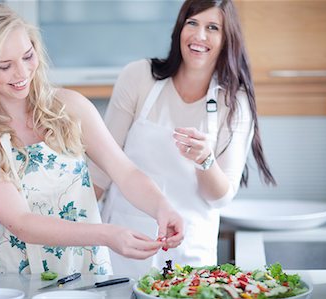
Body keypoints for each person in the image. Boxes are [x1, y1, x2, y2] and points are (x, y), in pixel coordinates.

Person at [0, 3, 184, 275]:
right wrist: (106, 234)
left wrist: (162, 207)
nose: (22, 73)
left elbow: (125, 172)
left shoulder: (69, 107)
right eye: (5, 66)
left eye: (27, 56)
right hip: (19, 278)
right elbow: (21, 222)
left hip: (86, 269)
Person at [90, 0, 276, 277]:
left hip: (190, 251)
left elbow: (220, 197)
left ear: (226, 39)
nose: (199, 36)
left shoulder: (234, 102)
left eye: (212, 27)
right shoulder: (139, 77)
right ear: (179, 29)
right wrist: (73, 233)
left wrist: (205, 160)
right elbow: (102, 167)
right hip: (126, 242)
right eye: (192, 23)